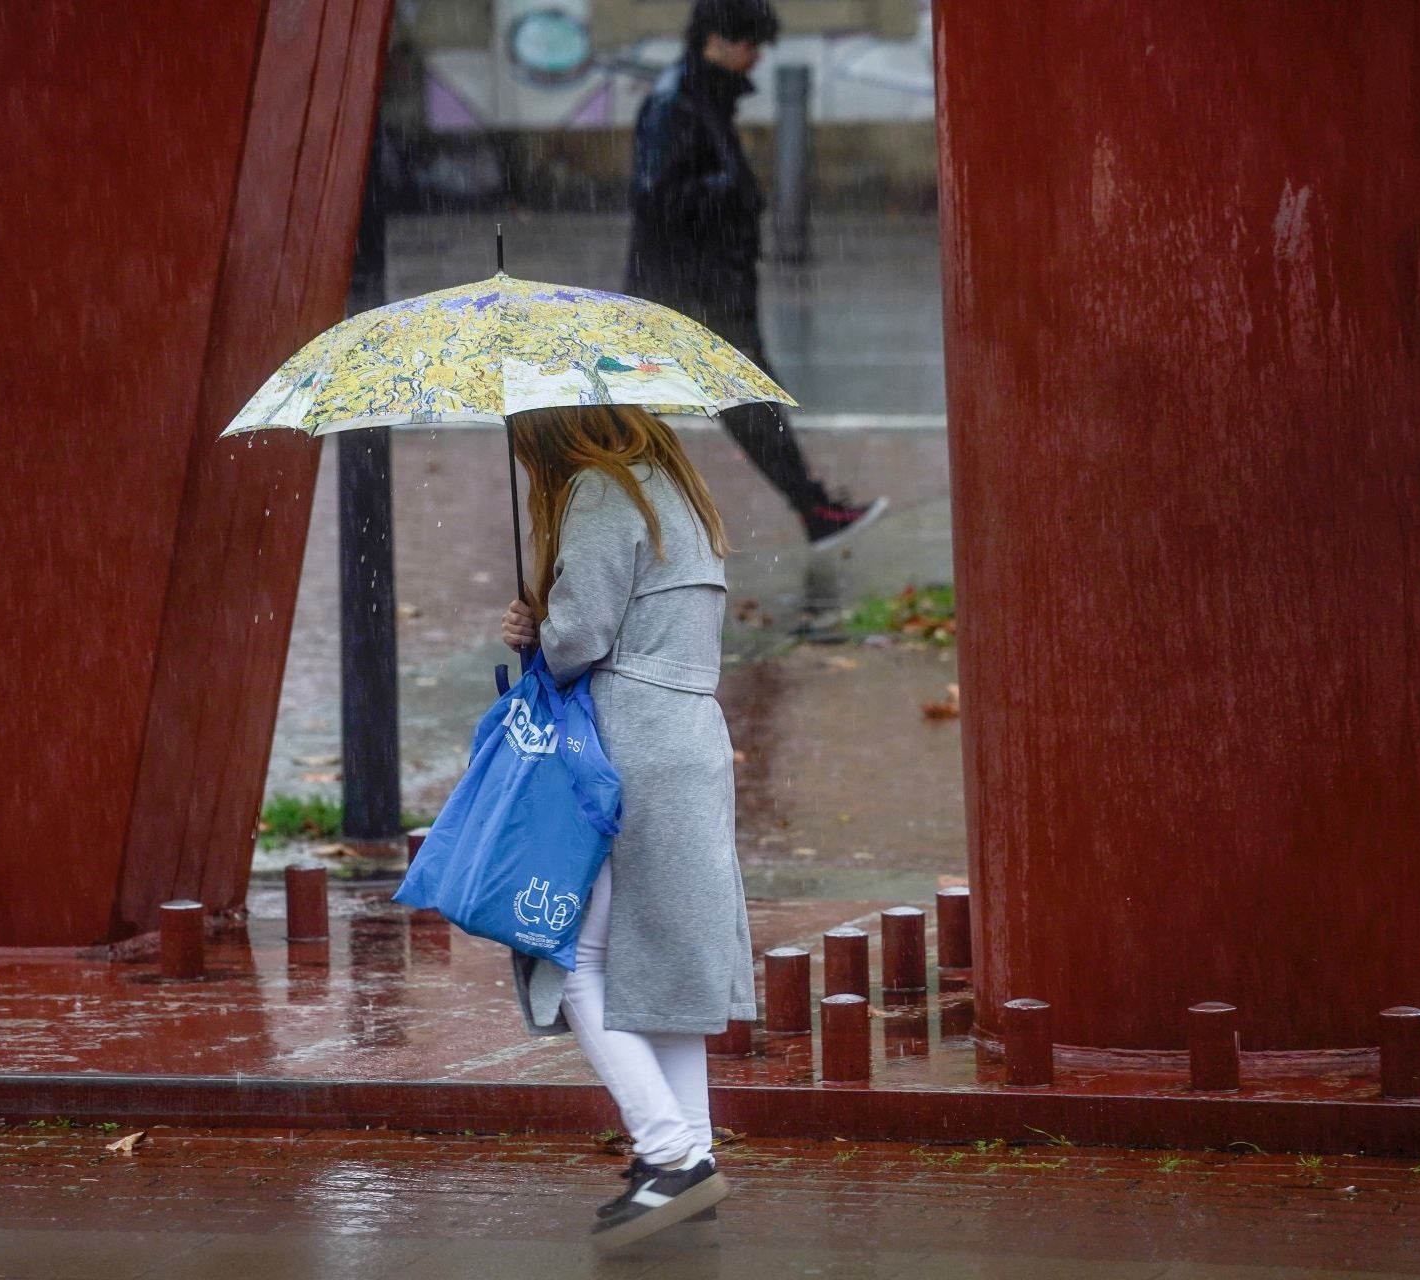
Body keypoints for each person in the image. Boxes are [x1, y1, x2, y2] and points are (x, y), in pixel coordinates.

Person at [499, 404, 755, 1248]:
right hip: (687, 737)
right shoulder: (676, 491)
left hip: (627, 747)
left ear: (549, 432)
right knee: (664, 970)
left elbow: (580, 642)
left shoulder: (602, 496)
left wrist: (540, 623)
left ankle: (669, 1150)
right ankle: (688, 1160)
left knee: (569, 955)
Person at [625, 0, 887, 549]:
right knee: (735, 401)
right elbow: (655, 195)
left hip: (703, 283)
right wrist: (734, 194)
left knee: (725, 403)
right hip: (692, 288)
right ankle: (811, 511)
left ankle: (811, 509)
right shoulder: (680, 104)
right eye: (750, 43)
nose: (757, 57)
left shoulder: (699, 99)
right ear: (717, 40)